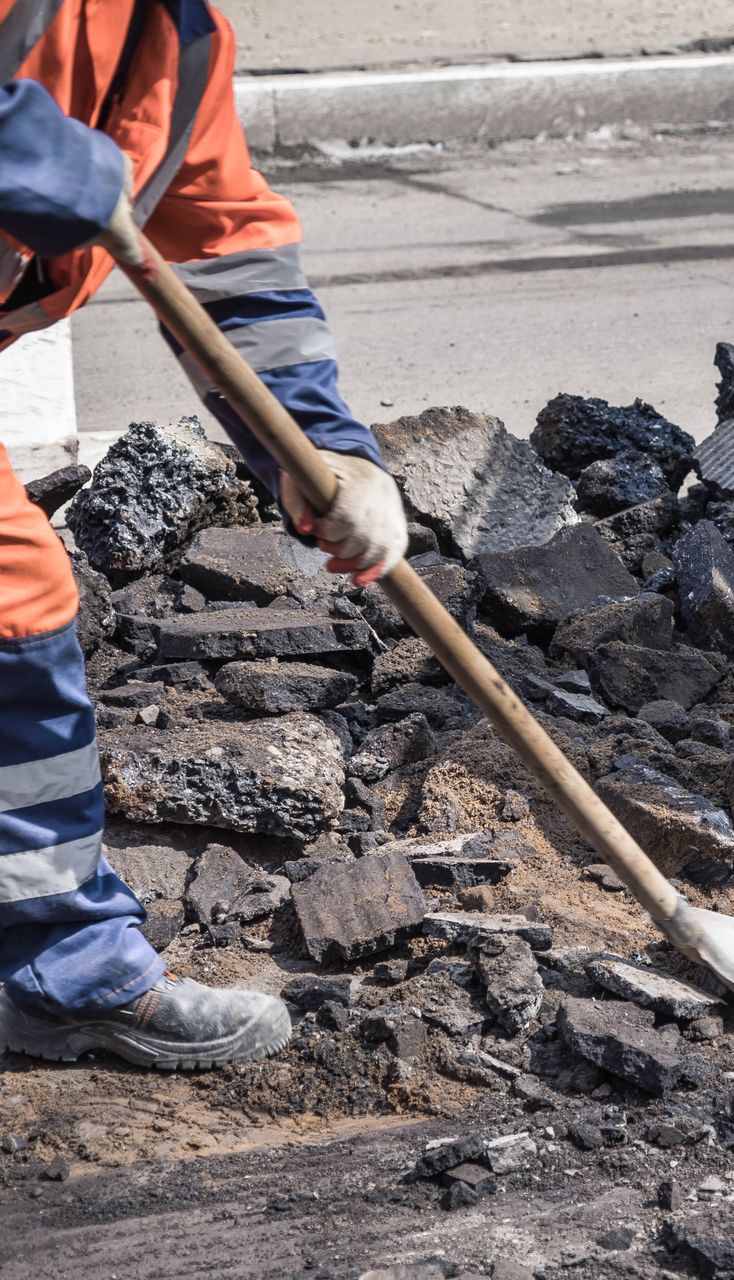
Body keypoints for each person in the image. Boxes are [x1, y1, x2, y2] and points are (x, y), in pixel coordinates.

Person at [0, 0, 408, 1068]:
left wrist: (324, 451)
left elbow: (226, 258)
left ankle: (61, 964)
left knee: (17, 604)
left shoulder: (174, 43)